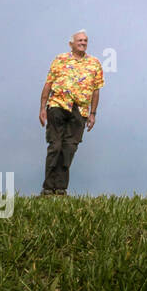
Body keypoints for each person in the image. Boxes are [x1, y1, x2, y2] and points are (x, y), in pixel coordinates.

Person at [38, 30, 104, 196]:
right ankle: (48, 188)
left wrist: (93, 113)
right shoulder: (60, 59)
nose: (83, 42)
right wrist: (42, 108)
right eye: (80, 40)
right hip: (58, 105)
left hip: (80, 110)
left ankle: (60, 189)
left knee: (69, 148)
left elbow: (96, 91)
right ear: (71, 44)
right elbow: (48, 83)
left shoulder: (94, 63)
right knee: (55, 145)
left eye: (85, 40)